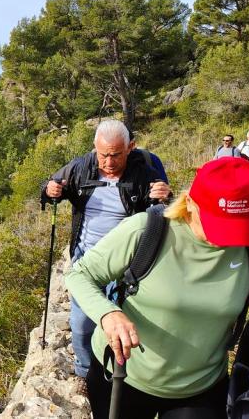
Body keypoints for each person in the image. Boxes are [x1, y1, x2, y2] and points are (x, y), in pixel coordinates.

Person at [65, 157, 249, 419]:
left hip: (202, 387)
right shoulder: (146, 231)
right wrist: (108, 314)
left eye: (238, 226)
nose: (228, 239)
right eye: (219, 225)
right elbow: (80, 274)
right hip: (124, 378)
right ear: (190, 203)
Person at [40, 119, 172, 378]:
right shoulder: (79, 168)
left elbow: (164, 213)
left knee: (125, 323)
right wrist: (50, 190)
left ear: (130, 147)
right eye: (103, 155)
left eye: (116, 155)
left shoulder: (144, 173)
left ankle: (123, 375)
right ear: (94, 148)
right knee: (80, 325)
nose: (109, 163)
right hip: (87, 259)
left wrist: (165, 195)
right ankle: (86, 372)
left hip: (127, 264)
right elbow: (49, 189)